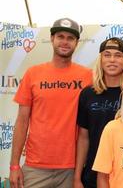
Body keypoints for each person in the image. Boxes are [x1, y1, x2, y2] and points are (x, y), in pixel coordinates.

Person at [9, 18, 93, 188]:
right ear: (52, 38)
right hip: (35, 167)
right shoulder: (33, 73)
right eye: (60, 36)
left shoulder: (88, 76)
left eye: (70, 38)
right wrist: (14, 165)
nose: (65, 42)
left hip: (72, 168)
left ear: (77, 42)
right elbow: (22, 121)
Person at [73, 37, 123, 188]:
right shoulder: (88, 94)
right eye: (107, 54)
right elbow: (83, 138)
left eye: (118, 55)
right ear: (100, 60)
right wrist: (77, 176)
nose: (112, 60)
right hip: (93, 173)